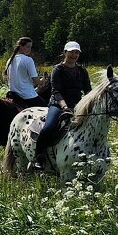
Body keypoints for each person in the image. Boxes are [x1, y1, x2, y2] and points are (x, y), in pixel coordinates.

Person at [32, 41, 91, 170]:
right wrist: (64, 107)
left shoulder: (82, 71)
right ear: (65, 53)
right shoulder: (57, 70)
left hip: (77, 105)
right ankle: (39, 158)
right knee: (48, 128)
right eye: (71, 52)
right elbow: (56, 91)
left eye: (76, 53)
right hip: (58, 105)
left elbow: (88, 91)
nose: (74, 55)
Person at [3, 36, 44, 110]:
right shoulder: (28, 60)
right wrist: (43, 80)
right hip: (26, 96)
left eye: (30, 47)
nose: (30, 49)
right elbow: (36, 81)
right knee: (46, 110)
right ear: (21, 46)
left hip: (12, 94)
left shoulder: (9, 60)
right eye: (28, 47)